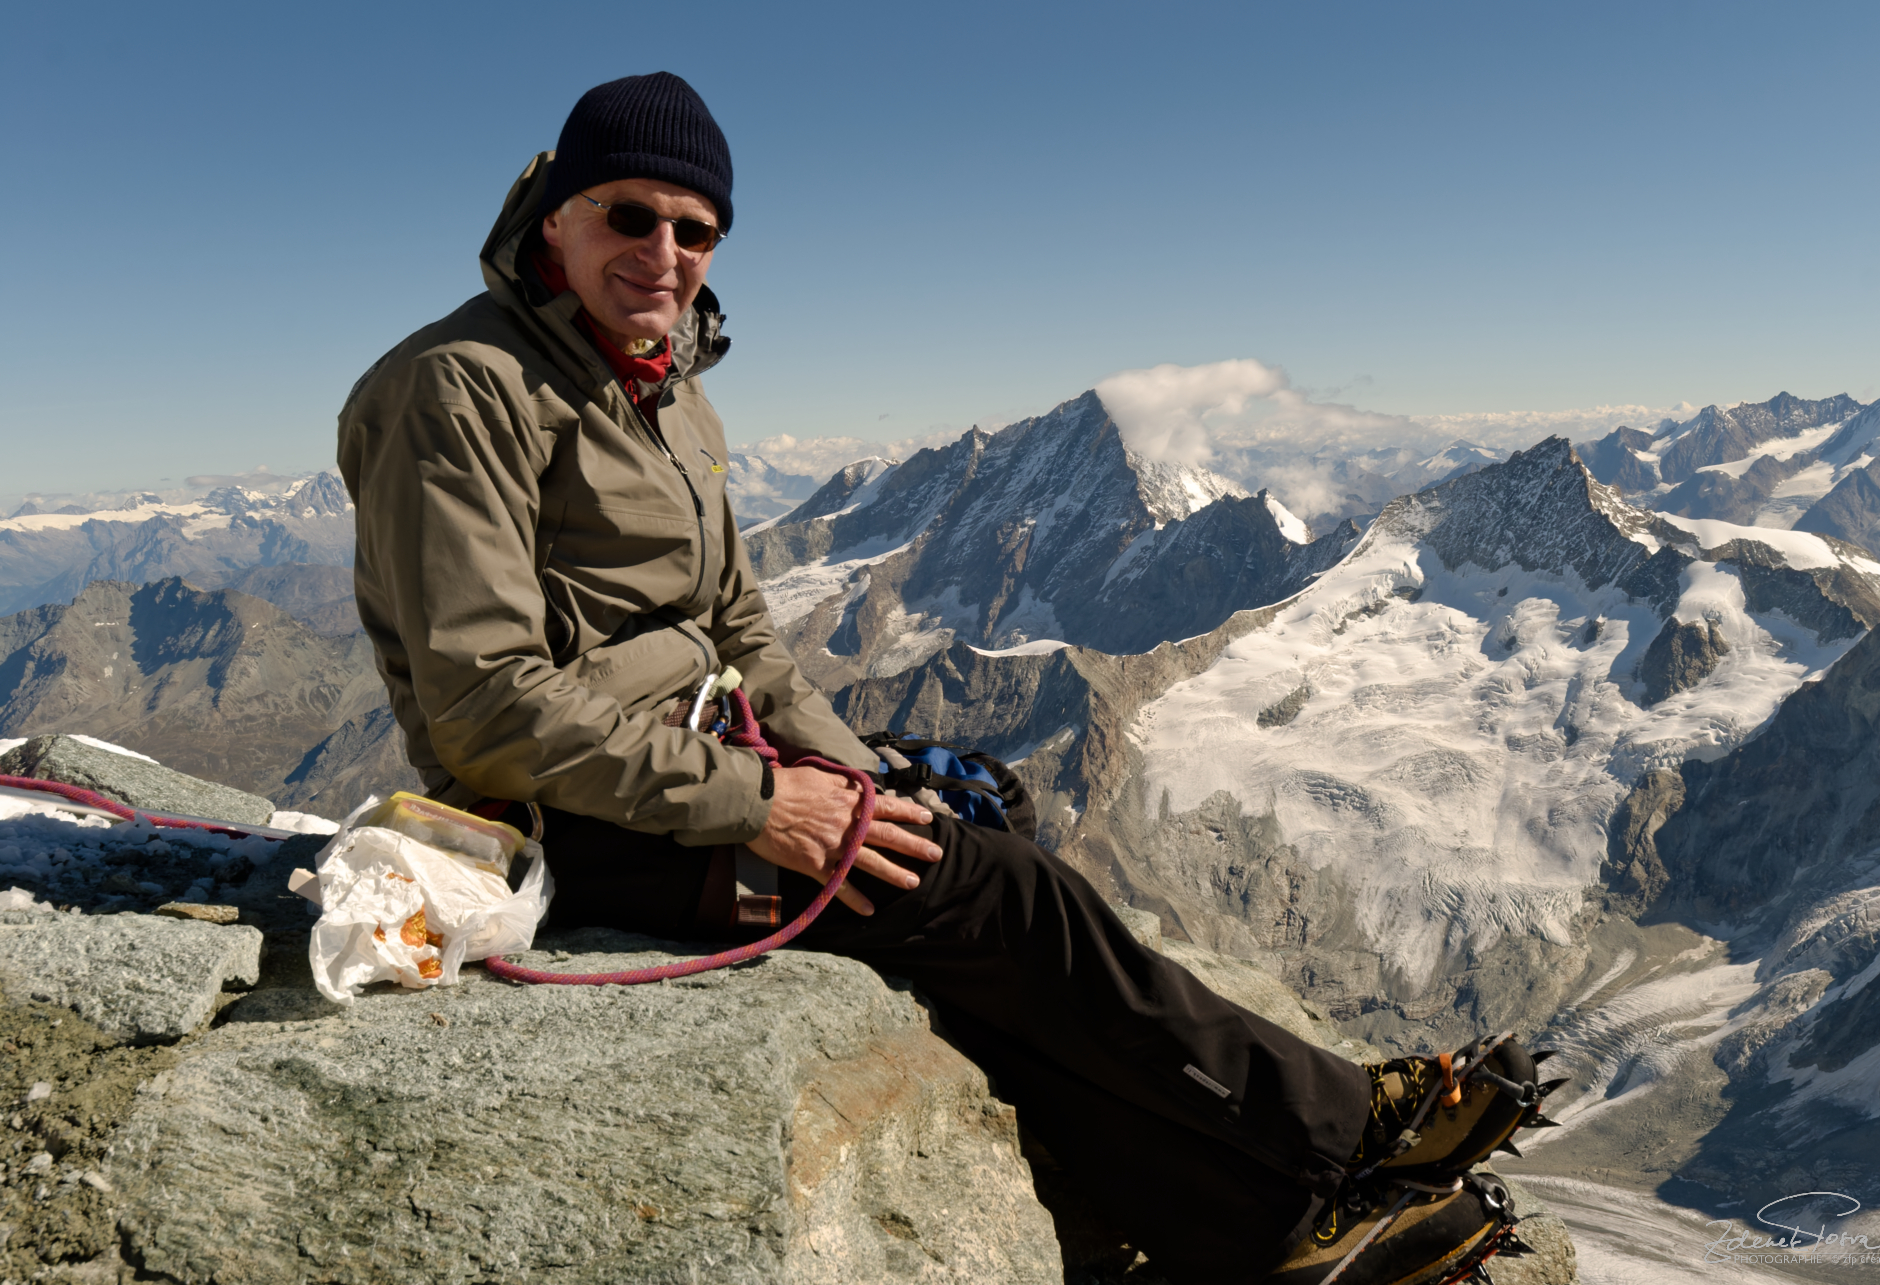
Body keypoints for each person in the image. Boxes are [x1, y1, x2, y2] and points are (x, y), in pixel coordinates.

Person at [337, 73, 1549, 1285]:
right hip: (591, 821)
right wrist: (773, 807)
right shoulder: (459, 388)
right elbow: (486, 703)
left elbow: (741, 627)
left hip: (706, 756)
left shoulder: (664, 384)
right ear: (555, 214)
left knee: (967, 837)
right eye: (627, 215)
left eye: (693, 227)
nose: (663, 251)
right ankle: (1348, 1129)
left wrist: (856, 775)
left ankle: (1260, 1233)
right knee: (1002, 899)